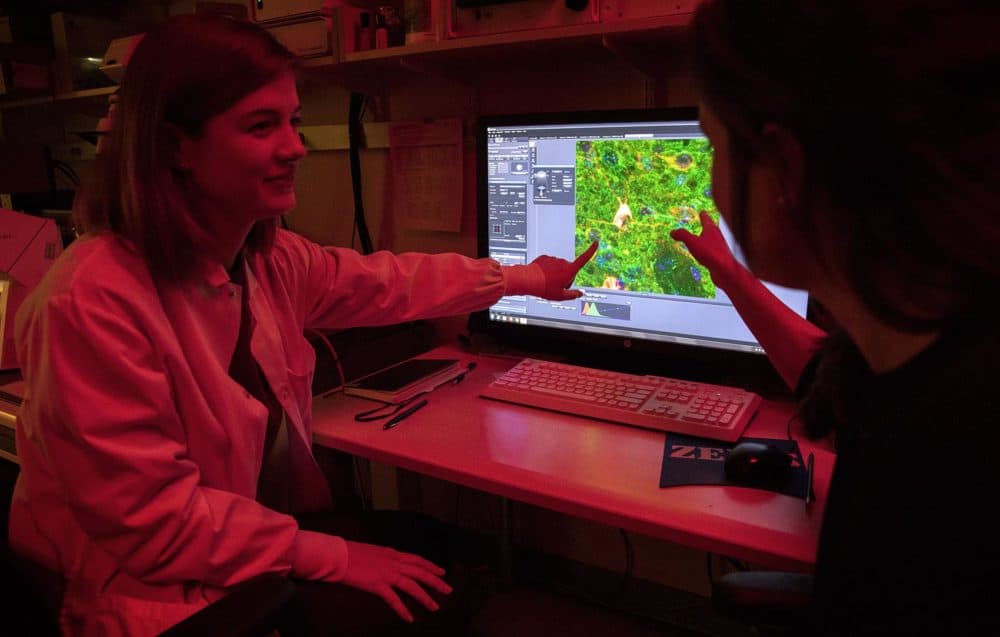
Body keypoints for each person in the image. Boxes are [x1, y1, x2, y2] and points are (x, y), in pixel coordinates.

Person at [9, 14, 597, 637]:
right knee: (424, 599)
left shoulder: (264, 258)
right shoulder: (91, 300)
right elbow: (155, 524)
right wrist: (335, 556)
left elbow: (387, 281)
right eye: (261, 126)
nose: (295, 145)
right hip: (159, 591)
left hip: (242, 538)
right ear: (174, 146)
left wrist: (525, 279)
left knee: (442, 566)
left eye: (292, 120)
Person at [674, 1, 998, 633]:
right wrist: (729, 273)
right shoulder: (924, 335)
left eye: (714, 148)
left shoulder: (951, 473)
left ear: (784, 168)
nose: (712, 182)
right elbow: (827, 374)